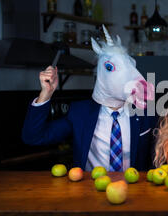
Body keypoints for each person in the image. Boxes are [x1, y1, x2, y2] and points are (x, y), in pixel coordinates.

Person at [22, 27, 157, 172]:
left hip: (133, 190)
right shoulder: (80, 113)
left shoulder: (146, 115)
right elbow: (33, 137)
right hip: (90, 190)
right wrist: (46, 94)